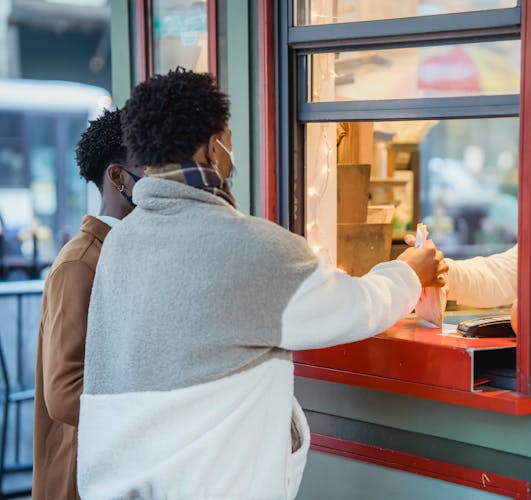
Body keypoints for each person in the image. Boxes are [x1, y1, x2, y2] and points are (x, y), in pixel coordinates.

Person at [77, 68, 445, 499]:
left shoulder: (120, 245)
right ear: (214, 147)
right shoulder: (249, 249)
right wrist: (408, 272)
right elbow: (356, 307)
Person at [33, 109, 142, 500]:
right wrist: (153, 414)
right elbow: (63, 392)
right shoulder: (80, 264)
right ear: (117, 177)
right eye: (152, 165)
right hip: (82, 480)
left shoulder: (131, 252)